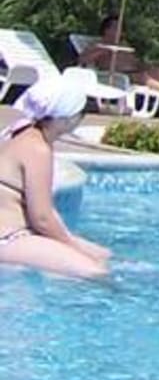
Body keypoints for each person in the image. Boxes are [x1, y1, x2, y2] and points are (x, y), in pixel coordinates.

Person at [0, 76, 112, 280]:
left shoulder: (21, 132)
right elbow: (42, 218)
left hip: (13, 233)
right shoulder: (37, 148)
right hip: (7, 237)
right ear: (66, 119)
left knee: (104, 255)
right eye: (81, 113)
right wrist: (73, 246)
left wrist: (73, 244)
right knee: (95, 272)